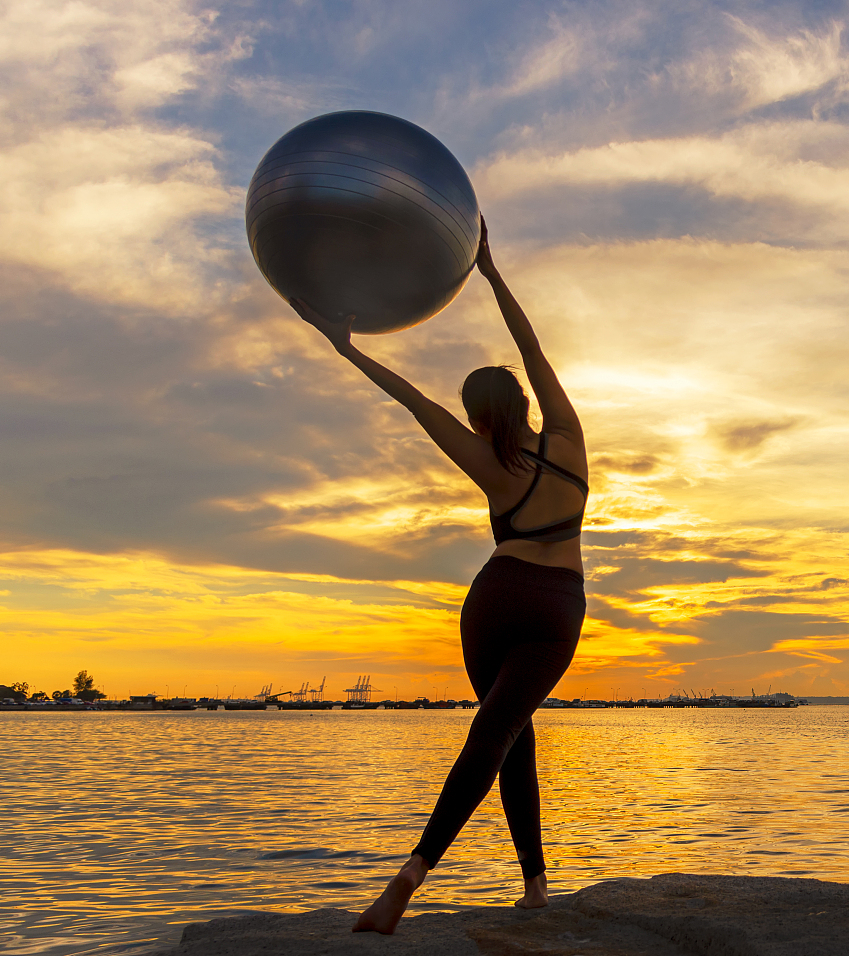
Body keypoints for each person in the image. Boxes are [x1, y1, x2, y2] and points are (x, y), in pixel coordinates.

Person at [291, 219, 589, 935]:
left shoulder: (489, 465)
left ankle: (451, 877)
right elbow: (532, 347)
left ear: (479, 418)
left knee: (502, 732)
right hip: (557, 608)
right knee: (506, 732)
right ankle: (518, 885)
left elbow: (412, 401)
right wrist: (488, 272)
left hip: (494, 600)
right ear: (523, 405)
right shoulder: (569, 440)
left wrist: (347, 349)